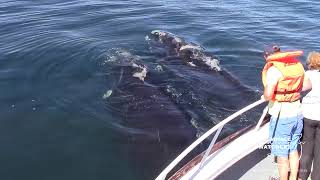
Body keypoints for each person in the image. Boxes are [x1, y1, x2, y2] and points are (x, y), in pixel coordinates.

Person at [262, 46, 305, 180]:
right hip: (297, 113)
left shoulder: (274, 70)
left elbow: (268, 95)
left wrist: (265, 95)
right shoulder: (297, 65)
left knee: (281, 153)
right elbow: (305, 85)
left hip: (282, 116)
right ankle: (293, 178)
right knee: (293, 149)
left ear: (267, 56)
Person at [298, 51, 320, 180]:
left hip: (308, 116)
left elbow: (300, 89)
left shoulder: (307, 75)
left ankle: (303, 175)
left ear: (309, 63)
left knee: (307, 148)